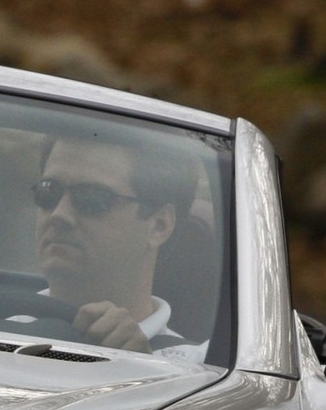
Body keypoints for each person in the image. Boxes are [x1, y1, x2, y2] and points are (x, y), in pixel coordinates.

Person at [32, 132, 205, 358]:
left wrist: (142, 372)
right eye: (49, 191)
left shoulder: (201, 372)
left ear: (159, 225)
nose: (59, 214)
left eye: (92, 198)